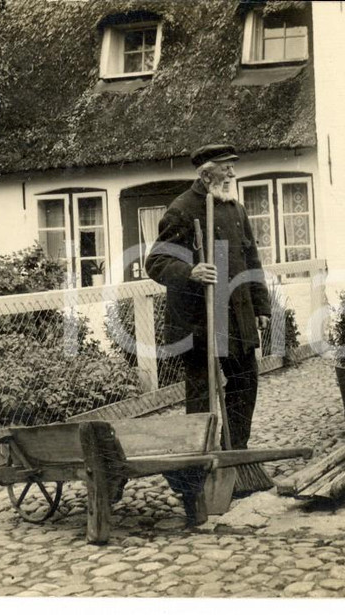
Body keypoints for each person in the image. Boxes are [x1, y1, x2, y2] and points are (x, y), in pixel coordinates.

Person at [145, 143, 272, 502]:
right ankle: (197, 466)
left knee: (245, 380)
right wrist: (191, 270)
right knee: (201, 393)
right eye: (226, 168)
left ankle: (236, 454)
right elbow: (155, 262)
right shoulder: (181, 210)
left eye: (233, 167)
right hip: (200, 320)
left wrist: (261, 305)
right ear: (206, 174)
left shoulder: (235, 209)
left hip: (236, 315)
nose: (232, 174)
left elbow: (251, 259)